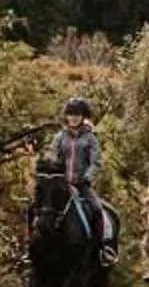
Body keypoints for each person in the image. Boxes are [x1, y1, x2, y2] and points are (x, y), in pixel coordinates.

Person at [43, 95, 118, 265]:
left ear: (83, 116)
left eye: (77, 114)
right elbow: (53, 156)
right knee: (37, 208)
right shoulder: (60, 137)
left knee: (97, 210)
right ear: (66, 116)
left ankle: (101, 250)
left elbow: (96, 162)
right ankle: (31, 247)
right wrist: (53, 172)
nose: (74, 117)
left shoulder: (90, 139)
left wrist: (87, 177)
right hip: (60, 184)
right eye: (70, 114)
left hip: (82, 185)